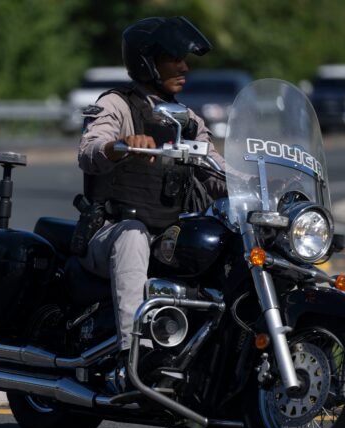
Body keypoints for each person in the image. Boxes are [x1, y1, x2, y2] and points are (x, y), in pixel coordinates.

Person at [77, 16, 227, 386]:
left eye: (184, 58)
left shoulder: (188, 120)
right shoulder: (118, 104)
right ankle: (134, 360)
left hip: (167, 237)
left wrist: (263, 184)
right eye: (174, 58)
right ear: (147, 61)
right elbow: (89, 149)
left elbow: (218, 172)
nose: (184, 67)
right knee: (132, 236)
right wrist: (120, 146)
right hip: (109, 231)